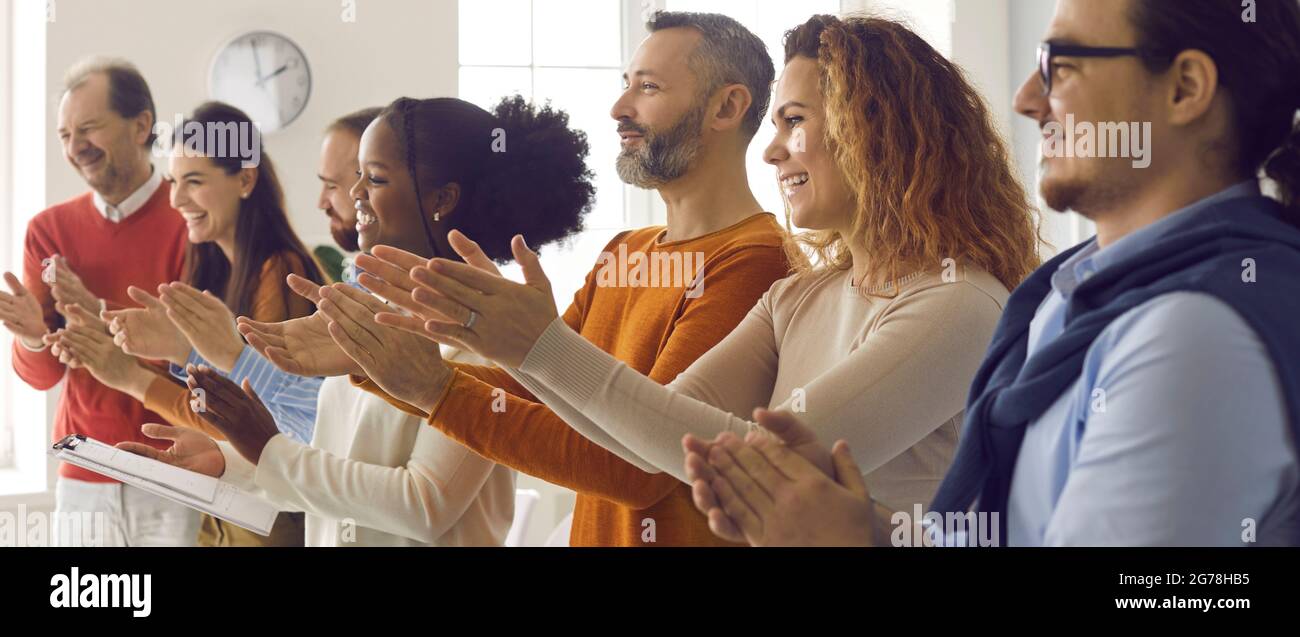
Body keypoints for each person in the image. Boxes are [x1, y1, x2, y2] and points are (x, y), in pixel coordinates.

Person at [346, 13, 1042, 544]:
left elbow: (753, 460)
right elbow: (651, 433)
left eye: (794, 123)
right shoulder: (798, 294)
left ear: (873, 130)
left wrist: (523, 348)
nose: (772, 151)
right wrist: (494, 346)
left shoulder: (957, 303)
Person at [689, 0, 1300, 547]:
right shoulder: (1059, 299)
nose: (1028, 99)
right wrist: (867, 529)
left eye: (1061, 65)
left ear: (1185, 88)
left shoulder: (1193, 336)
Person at [241, 11, 791, 546]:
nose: (619, 107)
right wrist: (377, 359)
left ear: (727, 106)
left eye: (647, 88)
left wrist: (435, 383)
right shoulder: (625, 251)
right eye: (625, 85)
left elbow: (643, 469)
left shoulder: (753, 261)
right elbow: (543, 398)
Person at [117, 95, 593, 547]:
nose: (354, 193)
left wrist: (265, 448)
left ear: (441, 199)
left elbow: (425, 505)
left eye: (375, 179)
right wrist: (227, 462)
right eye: (357, 176)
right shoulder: (372, 311)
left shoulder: (482, 331)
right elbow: (331, 476)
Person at [51, 101, 326, 547]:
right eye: (175, 181)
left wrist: (134, 380)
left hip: (267, 522)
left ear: (245, 179)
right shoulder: (213, 269)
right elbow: (199, 385)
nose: (176, 199)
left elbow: (249, 423)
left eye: (194, 182)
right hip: (222, 517)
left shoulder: (281, 272)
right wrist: (102, 327)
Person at [0, 57, 195, 547]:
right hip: (83, 470)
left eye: (88, 128)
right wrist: (30, 337)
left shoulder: (192, 223)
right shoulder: (48, 231)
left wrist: (95, 312)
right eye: (64, 134)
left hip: (173, 470)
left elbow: (201, 364)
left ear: (142, 125)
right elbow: (44, 375)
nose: (74, 147)